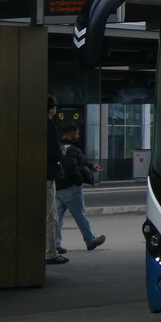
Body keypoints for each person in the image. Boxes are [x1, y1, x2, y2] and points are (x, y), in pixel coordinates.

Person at [55, 121, 107, 252]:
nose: (78, 136)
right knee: (80, 215)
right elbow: (72, 166)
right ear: (71, 133)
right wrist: (79, 180)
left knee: (57, 218)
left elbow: (76, 164)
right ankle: (90, 240)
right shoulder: (72, 149)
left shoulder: (59, 147)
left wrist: (90, 167)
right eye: (77, 133)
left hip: (58, 186)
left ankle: (55, 244)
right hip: (71, 187)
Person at [44, 96, 68, 265]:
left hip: (43, 174)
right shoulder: (49, 127)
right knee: (47, 216)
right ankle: (49, 254)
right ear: (51, 109)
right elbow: (54, 152)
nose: (56, 110)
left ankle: (51, 252)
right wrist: (61, 154)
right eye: (55, 107)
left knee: (53, 217)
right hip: (47, 176)